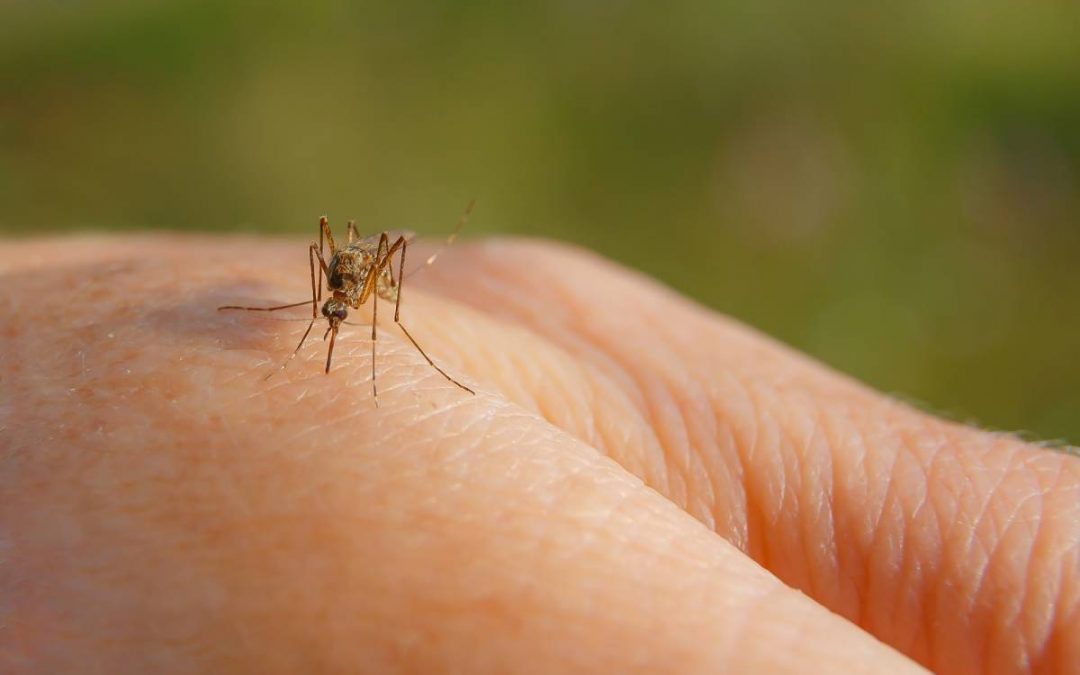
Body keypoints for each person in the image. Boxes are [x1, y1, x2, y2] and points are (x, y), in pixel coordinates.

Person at [2, 235, 1077, 674]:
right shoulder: (323, 287)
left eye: (338, 298)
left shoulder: (370, 285)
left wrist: (389, 325)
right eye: (334, 297)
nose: (337, 308)